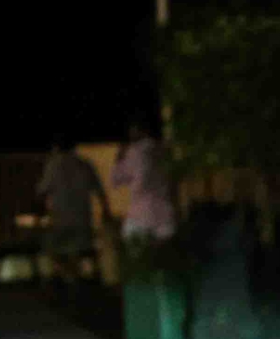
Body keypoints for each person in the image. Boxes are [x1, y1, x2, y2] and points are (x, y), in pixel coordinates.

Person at [34, 140, 108, 291]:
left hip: (61, 221)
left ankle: (69, 277)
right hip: (83, 220)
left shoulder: (53, 165)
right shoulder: (85, 164)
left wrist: (40, 214)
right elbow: (100, 191)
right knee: (79, 249)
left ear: (56, 148)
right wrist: (106, 210)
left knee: (52, 249)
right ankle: (75, 278)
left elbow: (42, 191)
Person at [111, 121, 178, 244]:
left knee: (131, 245)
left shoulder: (134, 152)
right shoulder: (165, 150)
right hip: (165, 215)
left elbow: (116, 180)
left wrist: (119, 156)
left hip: (140, 216)